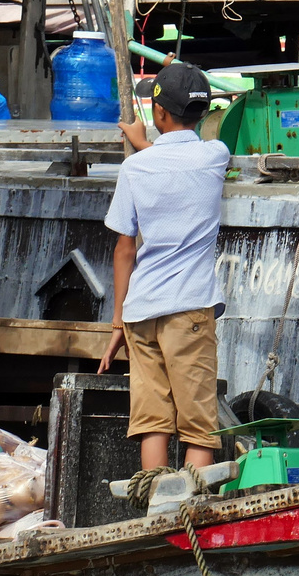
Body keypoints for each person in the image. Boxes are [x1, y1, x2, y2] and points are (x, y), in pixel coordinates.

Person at [97, 63, 231, 471]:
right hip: (188, 310)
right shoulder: (215, 156)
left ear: (159, 114)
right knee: (198, 426)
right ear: (204, 112)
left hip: (140, 313)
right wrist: (147, 145)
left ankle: (154, 504)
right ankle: (193, 517)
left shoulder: (135, 168)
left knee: (152, 421)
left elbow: (125, 249)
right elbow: (184, 162)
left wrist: (117, 324)